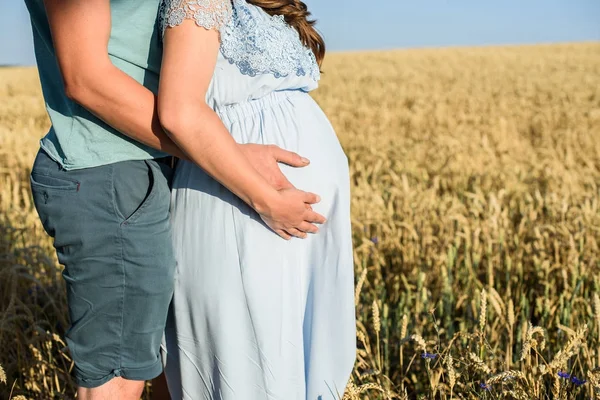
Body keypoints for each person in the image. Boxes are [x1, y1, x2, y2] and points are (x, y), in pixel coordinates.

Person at [24, 0, 326, 398]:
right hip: (111, 170)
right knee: (118, 376)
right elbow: (86, 78)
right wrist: (232, 156)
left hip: (149, 168)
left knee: (167, 361)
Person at [158, 0, 356, 398]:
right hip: (243, 205)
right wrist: (267, 199)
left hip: (280, 221)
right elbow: (179, 111)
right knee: (252, 364)